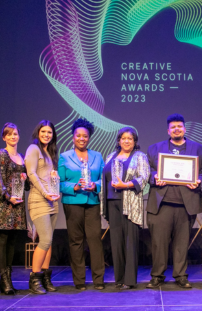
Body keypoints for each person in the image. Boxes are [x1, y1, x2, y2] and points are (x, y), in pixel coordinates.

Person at [146, 113, 202, 289]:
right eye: (173, 127)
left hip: (185, 204)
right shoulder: (154, 148)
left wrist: (199, 180)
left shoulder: (198, 149)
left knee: (182, 243)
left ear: (184, 129)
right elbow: (147, 170)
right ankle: (157, 275)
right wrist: (154, 176)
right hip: (161, 203)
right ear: (168, 130)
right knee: (159, 243)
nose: (176, 129)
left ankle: (181, 275)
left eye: (179, 126)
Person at [58, 118, 105, 290]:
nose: (82, 138)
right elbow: (60, 183)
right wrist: (75, 186)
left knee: (94, 240)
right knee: (76, 241)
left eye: (85, 136)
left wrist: (96, 185)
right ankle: (79, 281)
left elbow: (103, 179)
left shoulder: (97, 156)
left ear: (89, 138)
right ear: (73, 137)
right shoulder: (64, 157)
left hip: (92, 201)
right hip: (72, 202)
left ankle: (98, 279)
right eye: (78, 135)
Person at [101, 127, 150, 289]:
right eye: (123, 138)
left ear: (135, 141)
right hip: (112, 202)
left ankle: (129, 280)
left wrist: (126, 185)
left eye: (130, 138)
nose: (126, 141)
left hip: (130, 202)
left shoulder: (140, 157)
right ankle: (119, 278)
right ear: (119, 140)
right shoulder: (110, 156)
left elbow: (144, 178)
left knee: (130, 241)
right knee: (116, 242)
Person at [0, 123, 30, 295]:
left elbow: (25, 185)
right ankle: (4, 278)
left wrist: (25, 178)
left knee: (12, 241)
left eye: (15, 134)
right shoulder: (1, 155)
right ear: (4, 137)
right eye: (9, 134)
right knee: (2, 240)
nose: (13, 137)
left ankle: (7, 277)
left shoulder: (21, 156)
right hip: (4, 204)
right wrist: (8, 197)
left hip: (17, 204)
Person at [25, 120, 60, 294]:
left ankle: (46, 277)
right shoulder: (34, 149)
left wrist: (55, 188)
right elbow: (31, 174)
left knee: (49, 240)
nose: (47, 135)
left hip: (52, 201)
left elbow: (50, 177)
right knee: (44, 240)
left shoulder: (50, 152)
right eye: (44, 131)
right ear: (38, 132)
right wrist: (45, 192)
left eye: (50, 132)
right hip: (39, 200)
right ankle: (35, 278)